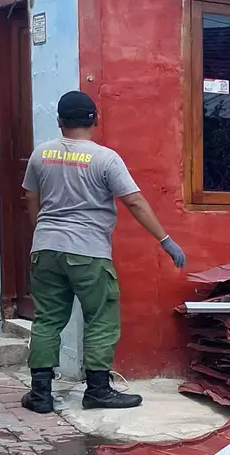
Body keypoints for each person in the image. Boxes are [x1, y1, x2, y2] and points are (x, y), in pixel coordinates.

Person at [20, 90, 185, 414]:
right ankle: (97, 390)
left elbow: (30, 198)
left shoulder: (41, 155)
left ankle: (40, 394)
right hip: (88, 252)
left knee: (48, 320)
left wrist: (43, 230)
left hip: (46, 248)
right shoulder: (105, 159)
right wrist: (165, 239)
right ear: (95, 119)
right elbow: (134, 201)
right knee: (100, 317)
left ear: (59, 121)